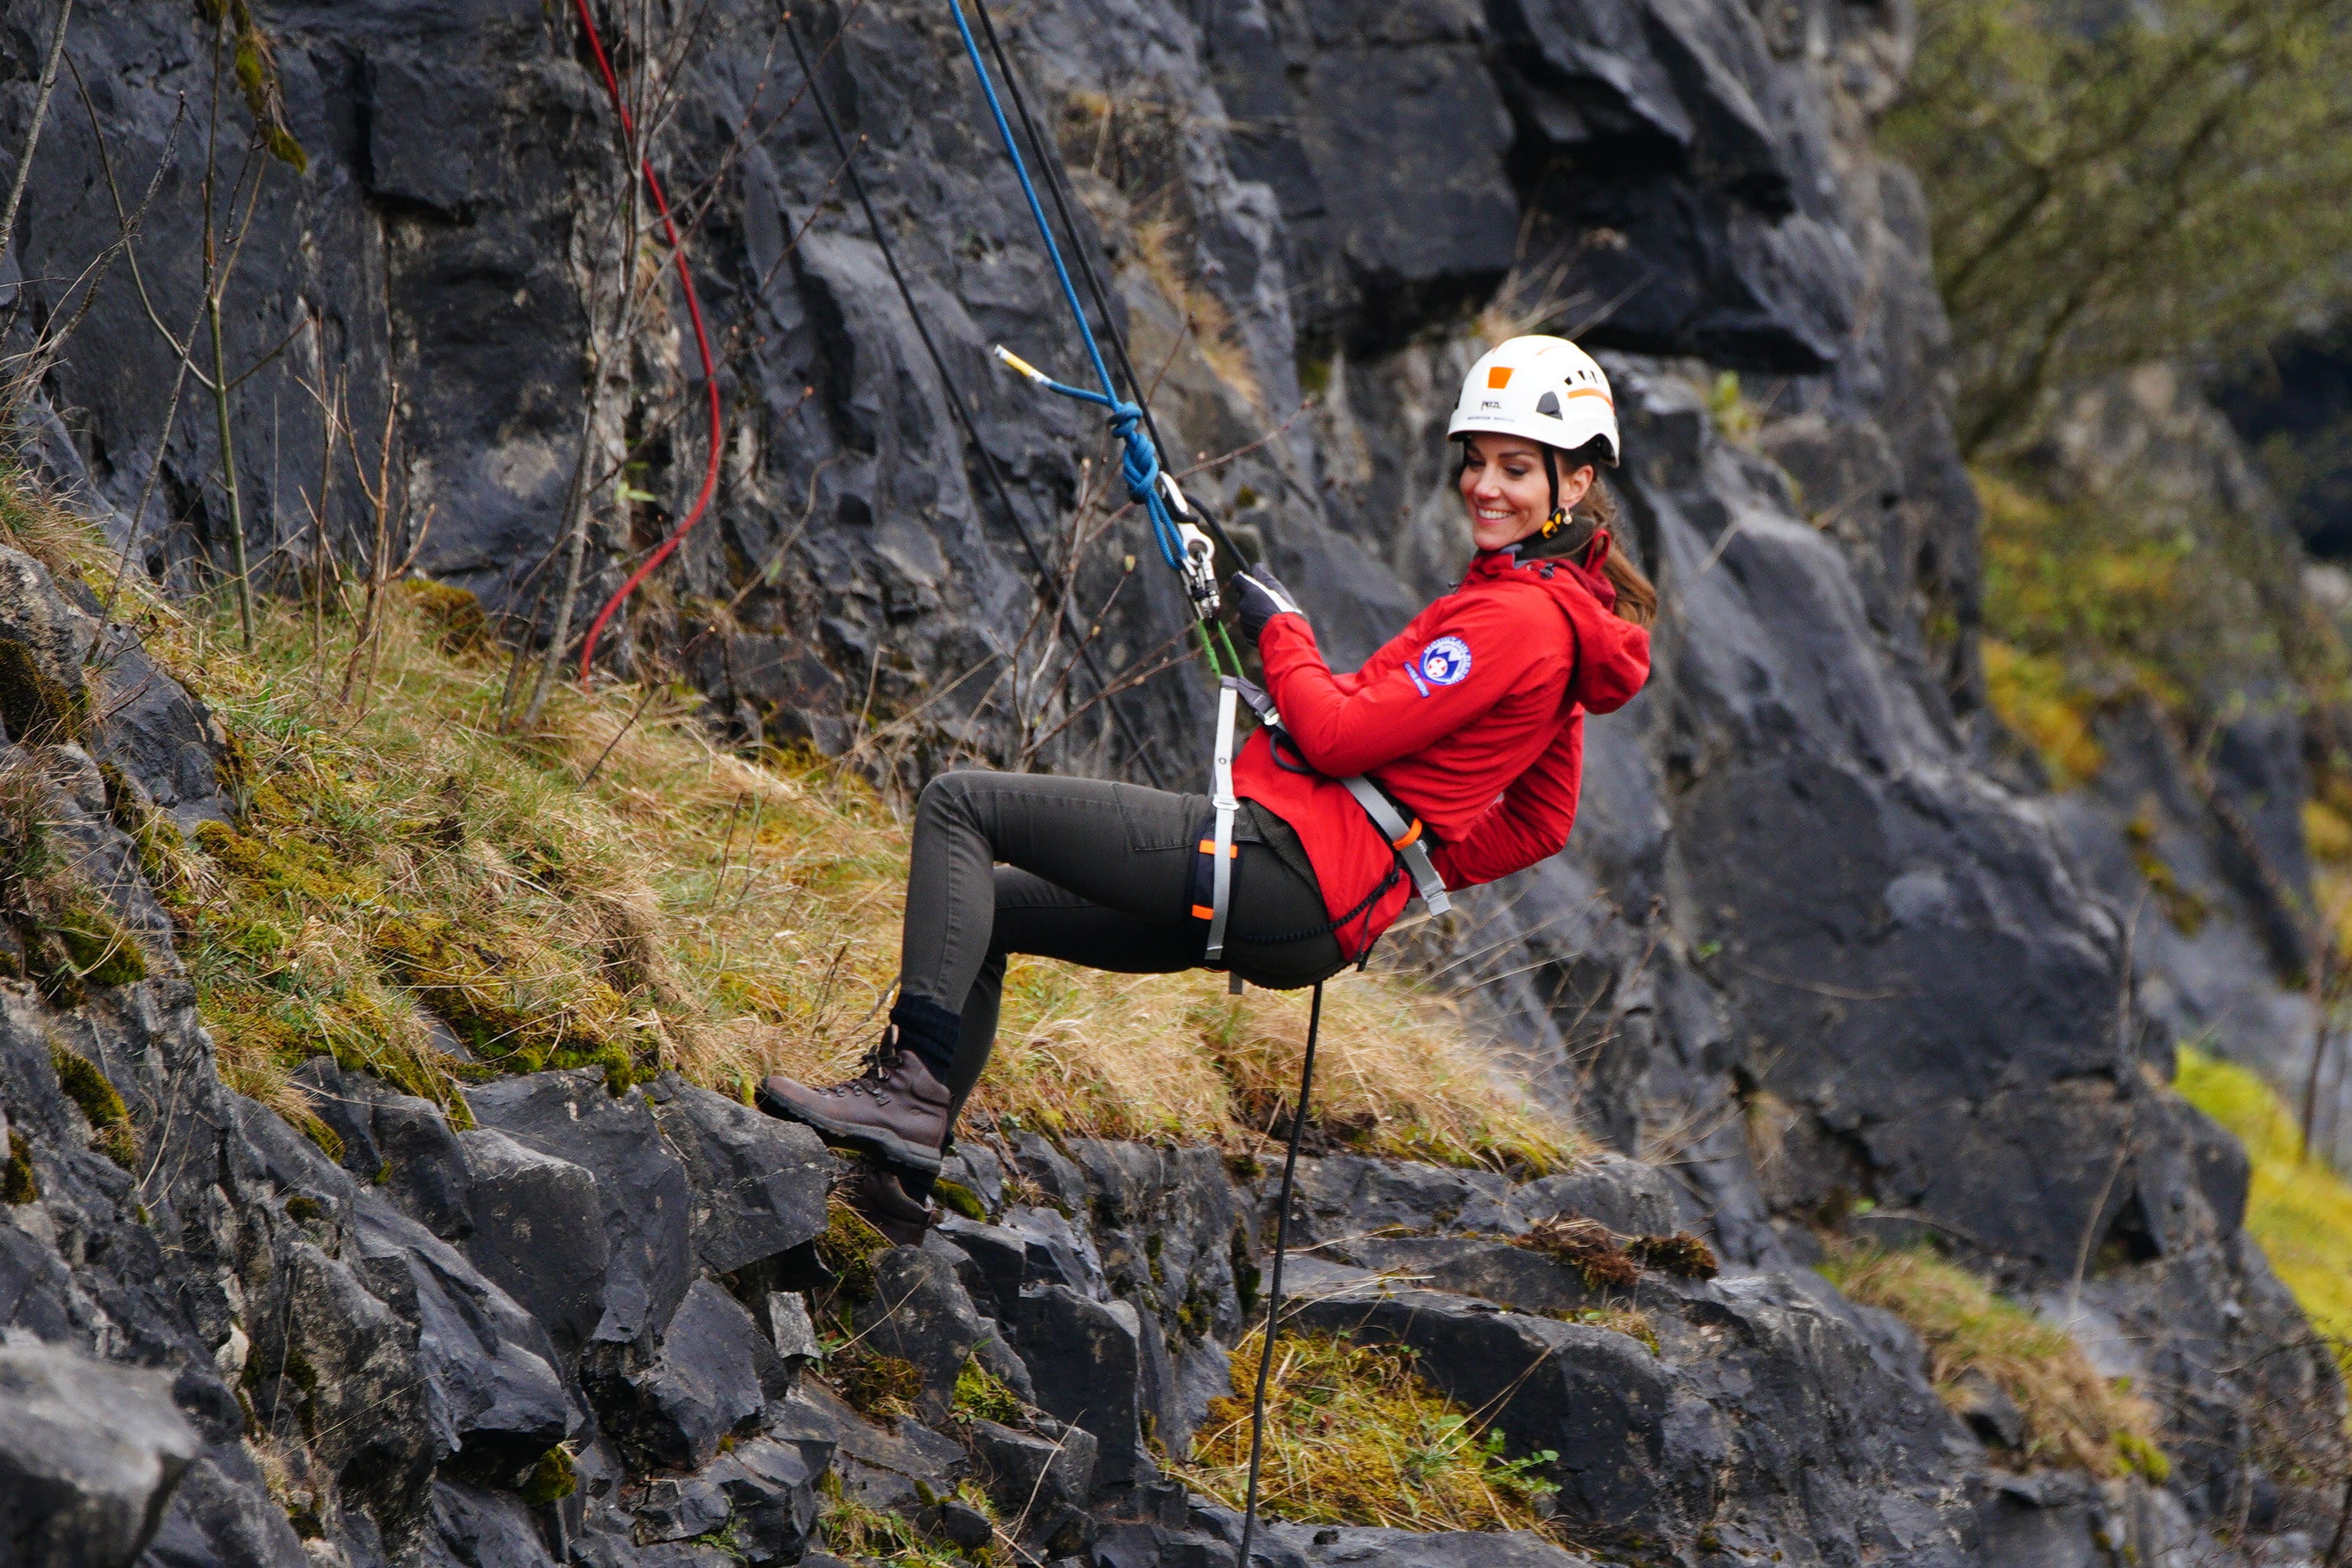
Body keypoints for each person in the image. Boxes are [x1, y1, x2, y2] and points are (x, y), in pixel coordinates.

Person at [756, 336, 1656, 1241]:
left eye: (1517, 469)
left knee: (961, 803)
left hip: (1281, 867)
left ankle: (906, 1093)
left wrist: (1286, 634)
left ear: (1573, 485)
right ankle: (899, 1185)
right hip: (1313, 909)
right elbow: (1542, 822)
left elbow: (1338, 733)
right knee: (990, 913)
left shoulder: (1515, 618)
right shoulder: (1571, 626)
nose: (1485, 487)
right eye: (1477, 463)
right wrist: (1391, 868)